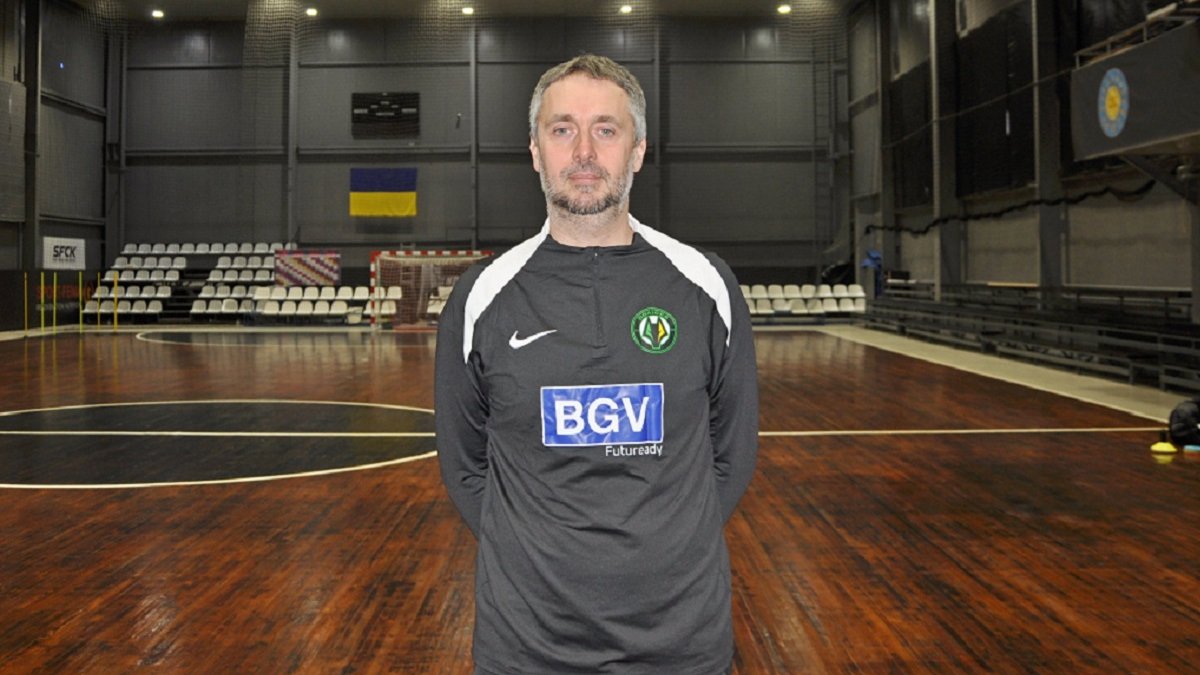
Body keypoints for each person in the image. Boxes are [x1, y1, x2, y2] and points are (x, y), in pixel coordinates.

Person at [435, 53, 759, 675]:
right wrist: (540, 560)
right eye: (562, 129)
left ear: (637, 150)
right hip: (526, 646)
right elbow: (464, 466)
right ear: (535, 151)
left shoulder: (705, 284)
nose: (584, 151)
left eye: (605, 129)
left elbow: (732, 453)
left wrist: (667, 549)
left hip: (681, 643)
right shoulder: (482, 296)